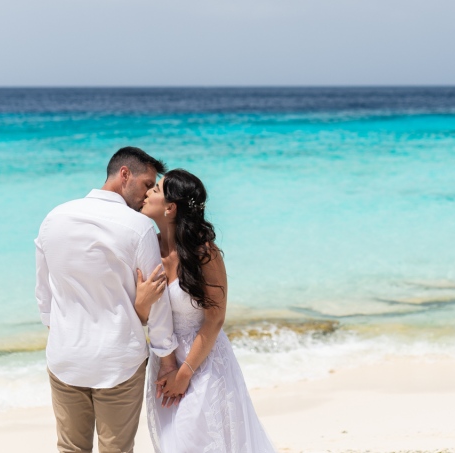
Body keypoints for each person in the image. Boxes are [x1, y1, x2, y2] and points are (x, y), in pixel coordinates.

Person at [35, 147, 185, 453]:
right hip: (118, 361)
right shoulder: (138, 227)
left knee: (70, 448)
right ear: (124, 175)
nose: (147, 195)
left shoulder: (54, 217)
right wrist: (168, 362)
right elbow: (155, 299)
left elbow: (44, 294)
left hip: (66, 358)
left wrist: (63, 335)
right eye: (146, 184)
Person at [135, 168, 277, 453]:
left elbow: (216, 317)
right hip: (164, 360)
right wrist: (141, 302)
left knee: (203, 441)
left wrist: (185, 372)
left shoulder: (204, 252)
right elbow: (142, 315)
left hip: (204, 361)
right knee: (174, 442)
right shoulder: (146, 247)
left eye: (157, 189)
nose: (147, 192)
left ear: (170, 208)